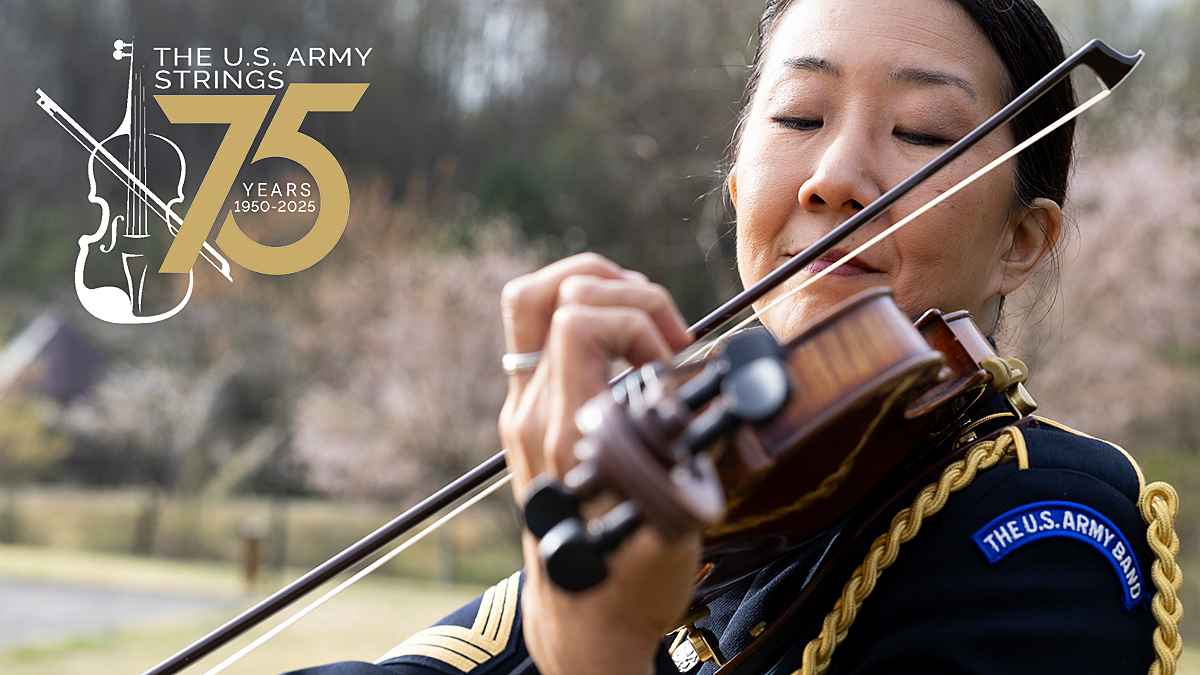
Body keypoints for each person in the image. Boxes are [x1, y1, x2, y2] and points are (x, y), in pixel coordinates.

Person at [291, 0, 1177, 673]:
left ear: (1021, 242)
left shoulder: (1045, 529)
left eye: (922, 134)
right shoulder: (708, 470)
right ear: (737, 179)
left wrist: (597, 645)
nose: (833, 180)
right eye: (798, 117)